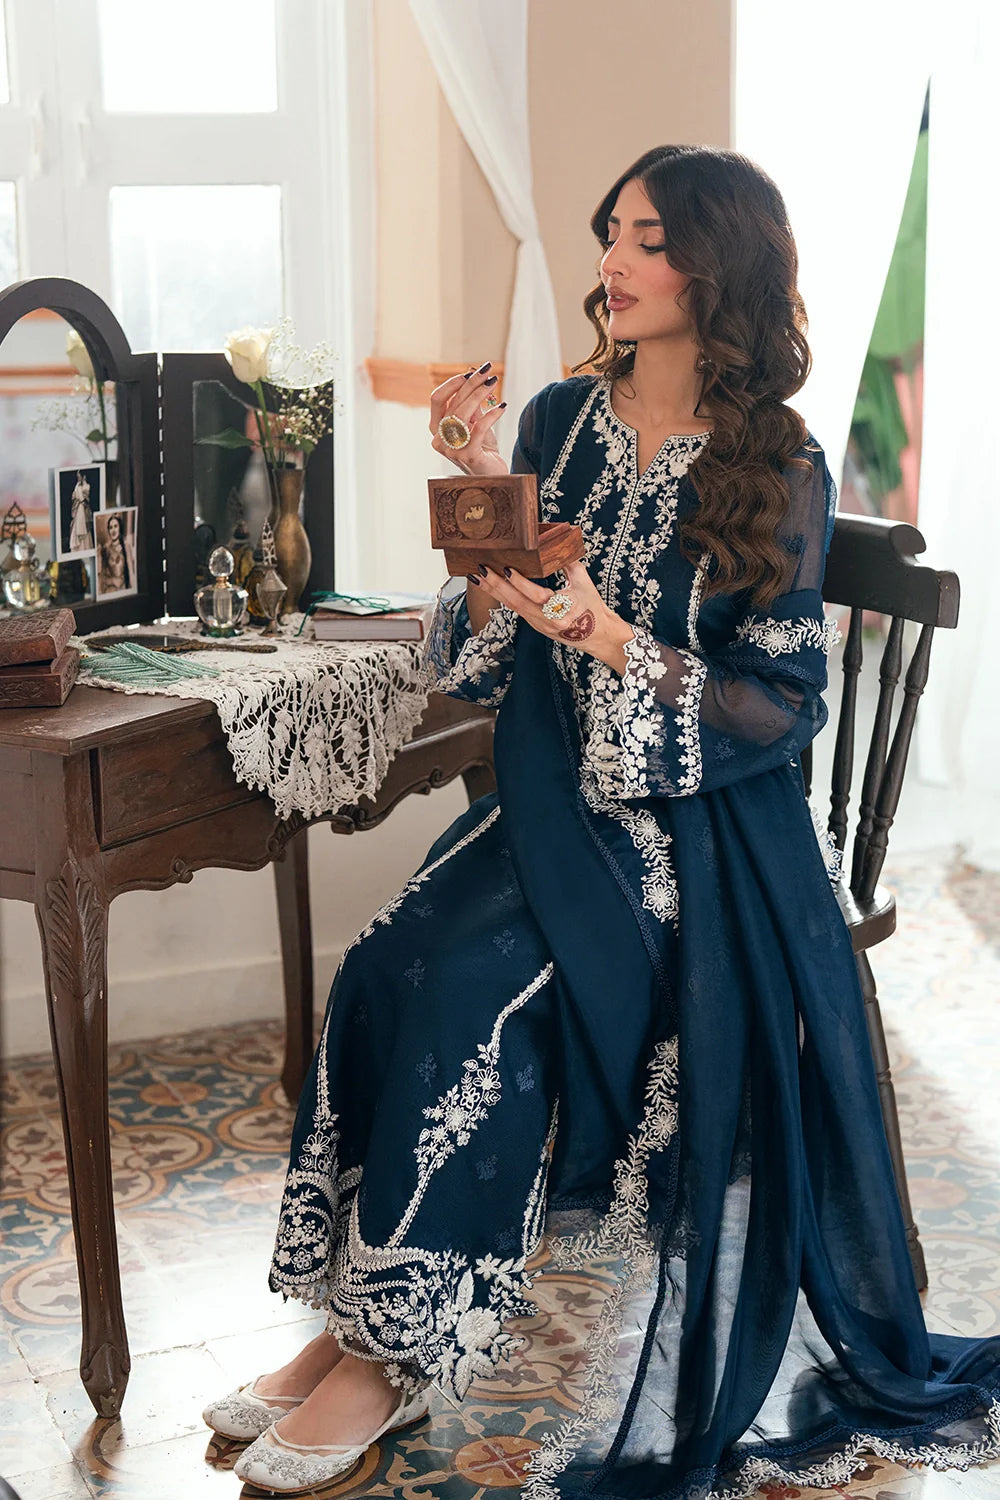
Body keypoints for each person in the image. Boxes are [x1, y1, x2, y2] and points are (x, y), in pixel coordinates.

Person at [202, 145, 1000, 1497]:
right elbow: (486, 647)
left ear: (716, 268)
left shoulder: (779, 465)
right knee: (386, 964)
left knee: (475, 991)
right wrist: (480, 496)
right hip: (551, 799)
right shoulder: (559, 423)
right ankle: (357, 1326)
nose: (613, 264)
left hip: (703, 835)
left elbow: (782, 703)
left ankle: (392, 1359)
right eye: (610, 235)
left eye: (646, 241)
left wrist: (616, 639)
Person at [67, 470, 93, 552]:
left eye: (79, 477)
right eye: (77, 477)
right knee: (75, 526)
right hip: (78, 509)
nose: (78, 479)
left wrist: (79, 492)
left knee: (83, 527)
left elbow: (83, 498)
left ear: (83, 477)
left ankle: (84, 547)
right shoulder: (77, 486)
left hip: (83, 509)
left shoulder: (86, 486)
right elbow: (74, 496)